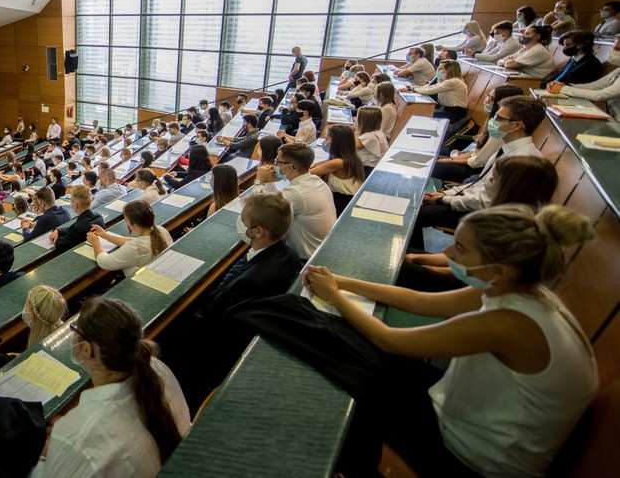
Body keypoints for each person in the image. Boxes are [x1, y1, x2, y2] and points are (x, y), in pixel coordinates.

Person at [226, 203, 597, 478]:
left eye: (461, 250)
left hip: (470, 457)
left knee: (342, 360)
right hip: (459, 412)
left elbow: (390, 340)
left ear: (499, 269)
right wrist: (342, 282)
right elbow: (422, 301)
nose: (448, 253)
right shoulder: (519, 289)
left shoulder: (511, 322)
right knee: (339, 341)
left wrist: (336, 297)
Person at [34, 297, 191, 478]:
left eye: (74, 329)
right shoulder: (156, 368)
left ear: (86, 349)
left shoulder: (78, 438)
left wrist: (47, 455)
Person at [401, 156, 559, 292]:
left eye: (493, 180)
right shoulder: (508, 216)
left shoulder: (517, 232)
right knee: (399, 252)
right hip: (461, 271)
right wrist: (417, 257)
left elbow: (467, 273)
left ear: (512, 188)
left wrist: (422, 265)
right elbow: (458, 259)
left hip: (462, 283)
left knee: (396, 264)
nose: (488, 183)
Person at [414, 96, 546, 250]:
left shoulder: (522, 160)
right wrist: (447, 194)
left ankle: (411, 260)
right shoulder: (507, 147)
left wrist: (446, 200)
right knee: (418, 206)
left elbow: (486, 202)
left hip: (484, 216)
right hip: (471, 203)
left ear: (517, 125)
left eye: (499, 118)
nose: (493, 121)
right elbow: (479, 184)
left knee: (415, 213)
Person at [254, 142, 335, 260]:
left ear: (289, 167)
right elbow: (276, 199)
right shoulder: (316, 181)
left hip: (306, 259)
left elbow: (256, 211)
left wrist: (259, 180)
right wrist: (269, 182)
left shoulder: (296, 193)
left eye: (277, 162)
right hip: (320, 250)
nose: (274, 165)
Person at [433, 84, 523, 182]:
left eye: (491, 99)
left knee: (432, 166)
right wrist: (460, 157)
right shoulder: (492, 121)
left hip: (475, 171)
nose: (486, 101)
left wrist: (450, 160)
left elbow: (478, 162)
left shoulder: (500, 129)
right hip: (471, 162)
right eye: (487, 96)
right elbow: (477, 152)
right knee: (433, 159)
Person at [88, 201, 172, 277]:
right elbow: (135, 242)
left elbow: (104, 262)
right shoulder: (160, 230)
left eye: (126, 220)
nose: (126, 222)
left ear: (135, 225)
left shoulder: (134, 248)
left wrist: (95, 242)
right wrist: (106, 236)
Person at [547, 37, 620, 120]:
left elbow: (600, 95)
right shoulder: (618, 70)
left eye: (617, 49)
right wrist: (566, 86)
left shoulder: (591, 63)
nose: (612, 52)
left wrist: (563, 89)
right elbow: (594, 86)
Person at [311, 125, 365, 214]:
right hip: (346, 199)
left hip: (342, 202)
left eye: (327, 139)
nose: (325, 142)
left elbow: (309, 173)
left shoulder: (339, 162)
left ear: (335, 142)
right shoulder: (351, 158)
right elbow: (321, 164)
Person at [49, 186, 105, 253]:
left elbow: (60, 245)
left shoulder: (77, 227)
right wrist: (59, 230)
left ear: (75, 206)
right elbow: (71, 230)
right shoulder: (99, 217)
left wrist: (57, 237)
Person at [354, 107, 389, 177]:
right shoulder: (379, 132)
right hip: (373, 167)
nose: (355, 119)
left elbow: (348, 146)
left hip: (367, 170)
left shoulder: (370, 137)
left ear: (363, 121)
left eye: (358, 117)